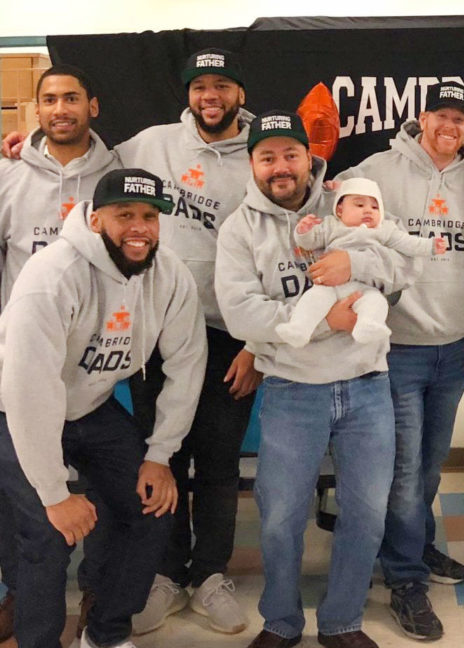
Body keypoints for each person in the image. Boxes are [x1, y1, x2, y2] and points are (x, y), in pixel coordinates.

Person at [215, 110, 420, 648]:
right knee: (280, 517)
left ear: (310, 158)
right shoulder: (240, 227)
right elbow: (240, 313)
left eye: (290, 155)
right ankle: (281, 622)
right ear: (252, 164)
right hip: (290, 390)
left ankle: (342, 621)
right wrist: (323, 322)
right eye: (268, 157)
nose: (280, 167)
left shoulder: (348, 200)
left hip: (366, 386)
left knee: (366, 511)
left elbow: (403, 269)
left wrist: (356, 269)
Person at [0, 168, 206, 648]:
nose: (139, 228)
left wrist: (160, 454)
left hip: (88, 407)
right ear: (93, 219)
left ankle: (106, 633)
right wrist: (55, 494)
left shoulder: (168, 273)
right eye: (124, 215)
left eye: (150, 217)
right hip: (13, 411)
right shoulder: (52, 275)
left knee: (154, 507)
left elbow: (188, 362)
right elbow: (29, 390)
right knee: (48, 535)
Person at [336, 80, 464, 640]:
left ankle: (416, 548)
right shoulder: (377, 171)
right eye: (440, 117)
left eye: (460, 119)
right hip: (397, 347)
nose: (449, 127)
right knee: (403, 473)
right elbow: (343, 232)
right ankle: (405, 578)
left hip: (452, 347)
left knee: (429, 464)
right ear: (420, 119)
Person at [115, 48, 262, 634]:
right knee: (162, 455)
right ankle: (166, 574)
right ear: (189, 95)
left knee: (221, 463)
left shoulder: (259, 156)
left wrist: (259, 345)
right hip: (155, 333)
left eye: (222, 85)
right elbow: (87, 174)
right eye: (200, 86)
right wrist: (25, 147)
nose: (210, 97)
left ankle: (209, 576)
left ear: (239, 94)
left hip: (231, 335)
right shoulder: (148, 145)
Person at [0, 64, 119, 639]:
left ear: (91, 105)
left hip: (99, 368)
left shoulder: (119, 171)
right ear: (37, 111)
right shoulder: (10, 176)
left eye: (72, 97)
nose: (61, 108)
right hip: (25, 364)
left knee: (100, 493)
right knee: (21, 498)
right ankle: (22, 599)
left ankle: (97, 592)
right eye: (50, 100)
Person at [277, 177, 445, 348]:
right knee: (312, 299)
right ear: (340, 210)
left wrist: (431, 246)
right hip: (329, 286)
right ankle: (299, 329)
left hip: (364, 287)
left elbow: (409, 243)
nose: (368, 211)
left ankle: (368, 327)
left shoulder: (385, 229)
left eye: (375, 207)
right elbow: (309, 242)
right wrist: (303, 231)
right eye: (359, 205)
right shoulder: (331, 225)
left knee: (376, 302)